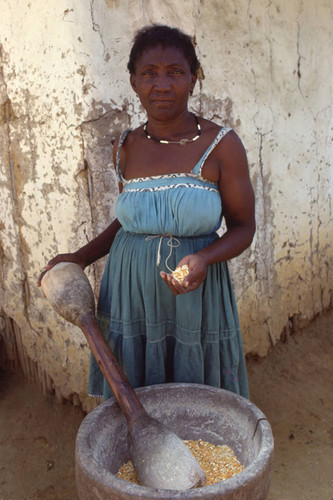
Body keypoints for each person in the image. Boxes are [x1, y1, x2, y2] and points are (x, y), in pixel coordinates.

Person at [38, 24, 255, 401]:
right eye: (149, 74)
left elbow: (244, 227)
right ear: (134, 82)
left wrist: (204, 258)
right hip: (128, 290)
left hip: (194, 292)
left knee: (197, 400)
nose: (162, 84)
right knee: (135, 392)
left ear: (193, 78)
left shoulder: (222, 145)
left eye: (175, 72)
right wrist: (80, 257)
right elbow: (131, 219)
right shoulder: (126, 145)